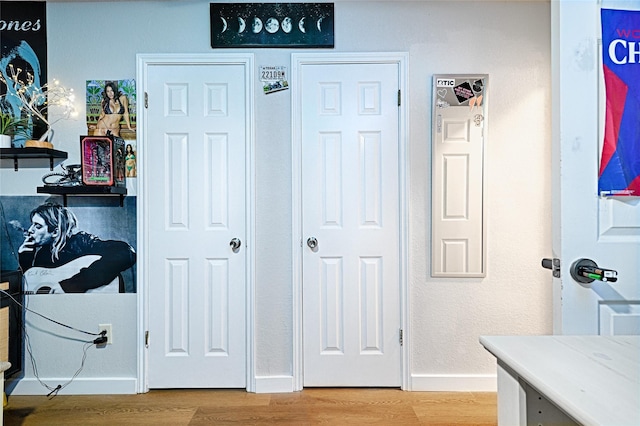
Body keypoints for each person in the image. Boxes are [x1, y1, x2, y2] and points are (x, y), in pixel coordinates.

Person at [18, 202, 136, 293]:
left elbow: (126, 253)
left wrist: (72, 285)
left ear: (55, 232)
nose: (30, 230)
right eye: (32, 225)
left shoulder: (81, 242)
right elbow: (32, 289)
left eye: (37, 226)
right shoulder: (42, 254)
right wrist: (25, 260)